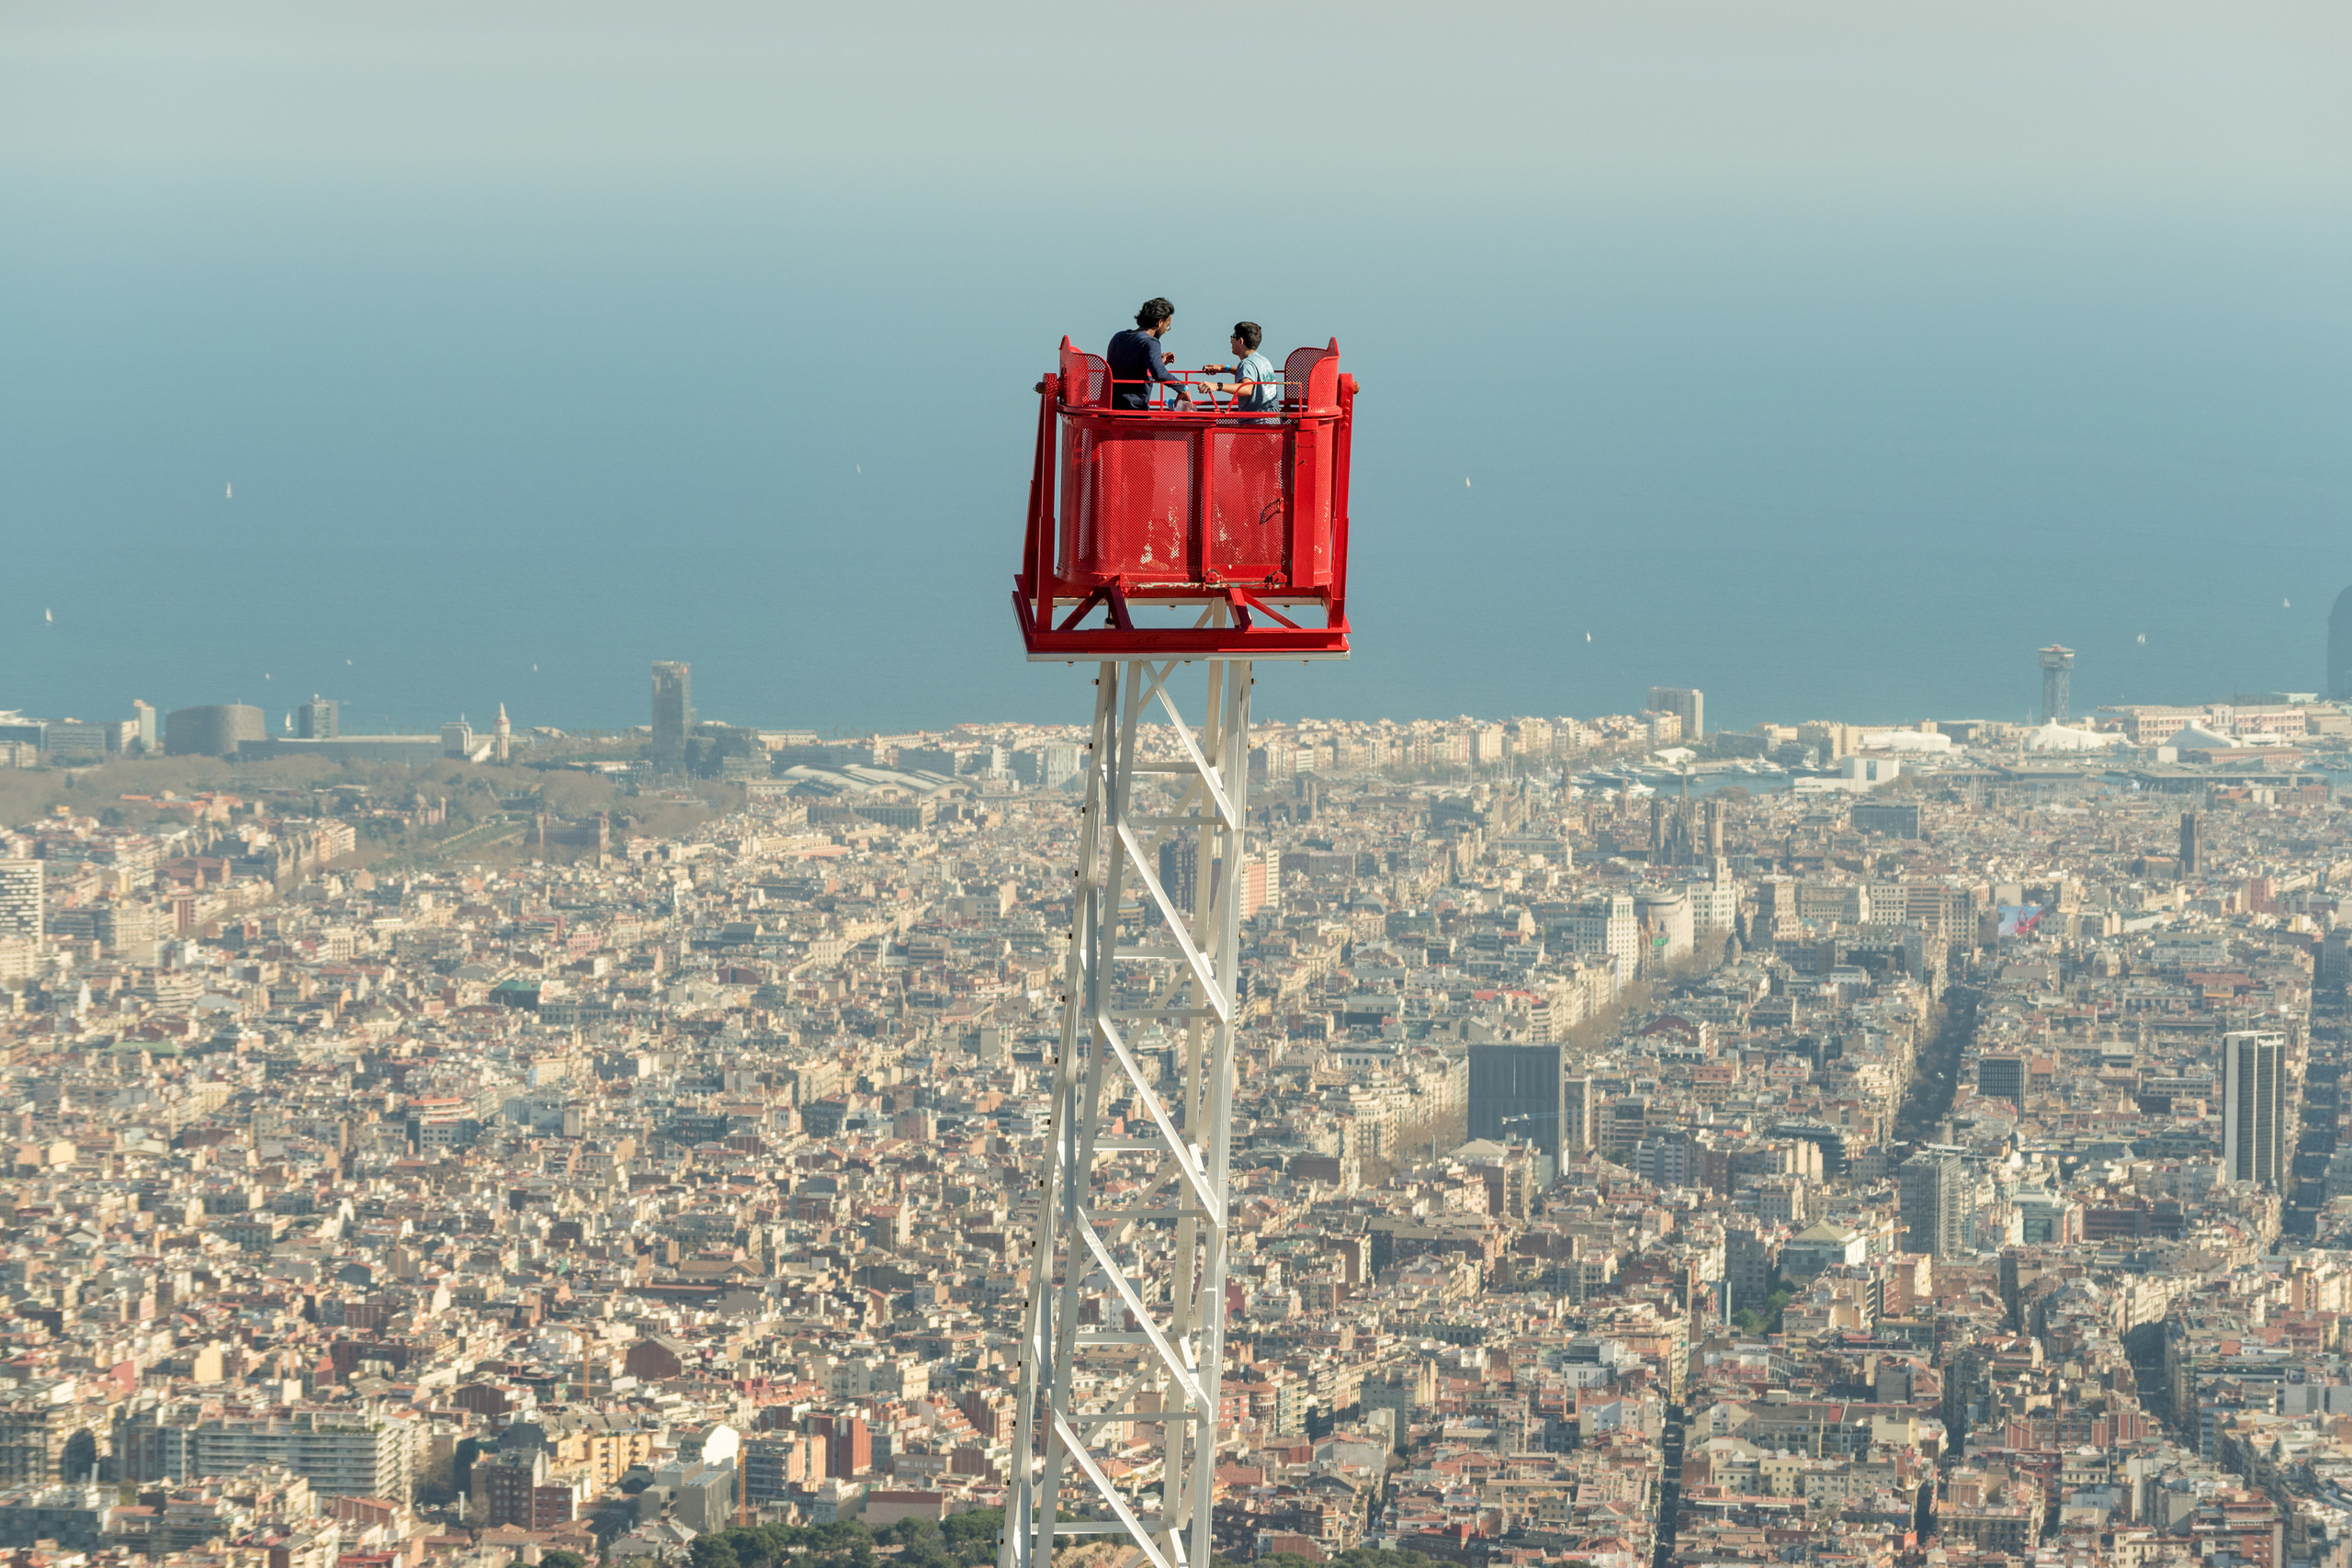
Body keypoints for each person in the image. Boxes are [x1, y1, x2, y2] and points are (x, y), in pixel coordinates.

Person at [1105, 298, 1191, 411]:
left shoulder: (1119, 336)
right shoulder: (1150, 342)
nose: (1165, 331)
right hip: (1134, 411)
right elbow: (1159, 374)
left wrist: (1157, 362)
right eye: (1167, 326)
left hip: (1110, 407)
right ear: (1160, 322)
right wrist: (1183, 387)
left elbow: (1128, 367)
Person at [1202, 321, 1279, 412]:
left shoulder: (1246, 363)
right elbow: (1250, 374)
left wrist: (1217, 386)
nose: (1231, 341)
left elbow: (1247, 389)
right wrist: (1225, 368)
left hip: (1254, 423)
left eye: (1233, 337)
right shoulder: (1264, 361)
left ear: (1241, 341)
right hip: (1273, 420)